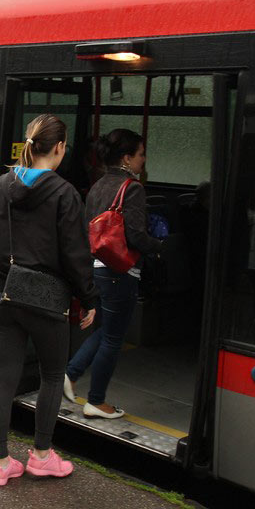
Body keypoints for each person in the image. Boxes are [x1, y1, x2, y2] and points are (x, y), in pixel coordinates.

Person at [0, 114, 98, 485]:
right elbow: (75, 255)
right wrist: (88, 297)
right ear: (60, 147)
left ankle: (1, 463)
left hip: (4, 293)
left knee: (4, 379)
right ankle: (42, 456)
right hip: (46, 299)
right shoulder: (65, 193)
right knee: (51, 376)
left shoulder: (0, 186)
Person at [65, 128, 163, 419]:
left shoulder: (98, 185)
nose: (144, 160)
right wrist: (159, 247)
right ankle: (96, 400)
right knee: (113, 338)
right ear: (126, 158)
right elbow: (135, 235)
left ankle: (71, 374)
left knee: (105, 330)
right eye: (141, 154)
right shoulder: (132, 188)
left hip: (96, 269)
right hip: (120, 272)